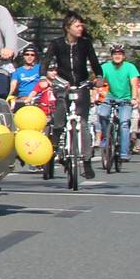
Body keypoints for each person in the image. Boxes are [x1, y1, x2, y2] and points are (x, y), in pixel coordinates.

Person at [43, 12, 102, 179]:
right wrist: (43, 77)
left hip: (82, 85)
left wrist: (98, 77)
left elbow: (95, 63)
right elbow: (46, 62)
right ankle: (52, 152)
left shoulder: (85, 44)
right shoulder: (56, 44)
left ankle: (87, 162)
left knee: (82, 123)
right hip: (63, 85)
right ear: (67, 27)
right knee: (59, 121)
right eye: (77, 25)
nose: (80, 28)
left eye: (81, 25)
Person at [97, 44, 139, 167]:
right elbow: (99, 80)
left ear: (123, 56)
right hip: (110, 97)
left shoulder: (130, 67)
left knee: (124, 123)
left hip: (126, 99)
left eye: (120, 54)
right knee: (102, 114)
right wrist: (97, 90)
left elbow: (134, 84)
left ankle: (124, 153)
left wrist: (134, 98)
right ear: (111, 56)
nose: (117, 56)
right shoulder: (106, 66)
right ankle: (106, 139)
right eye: (115, 54)